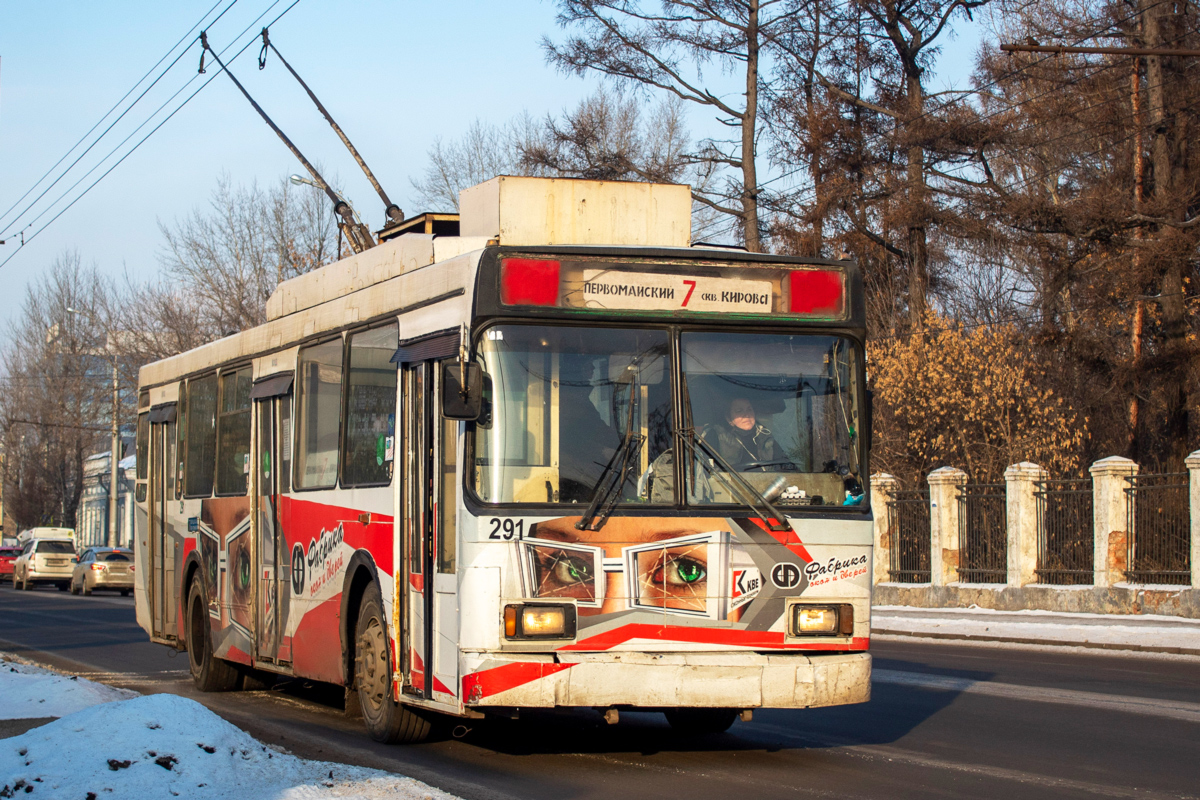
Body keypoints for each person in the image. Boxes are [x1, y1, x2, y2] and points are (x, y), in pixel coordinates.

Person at [699, 397, 785, 470]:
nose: (747, 414)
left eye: (749, 409)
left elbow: (787, 467)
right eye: (739, 411)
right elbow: (707, 473)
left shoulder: (764, 436)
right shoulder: (715, 436)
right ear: (729, 419)